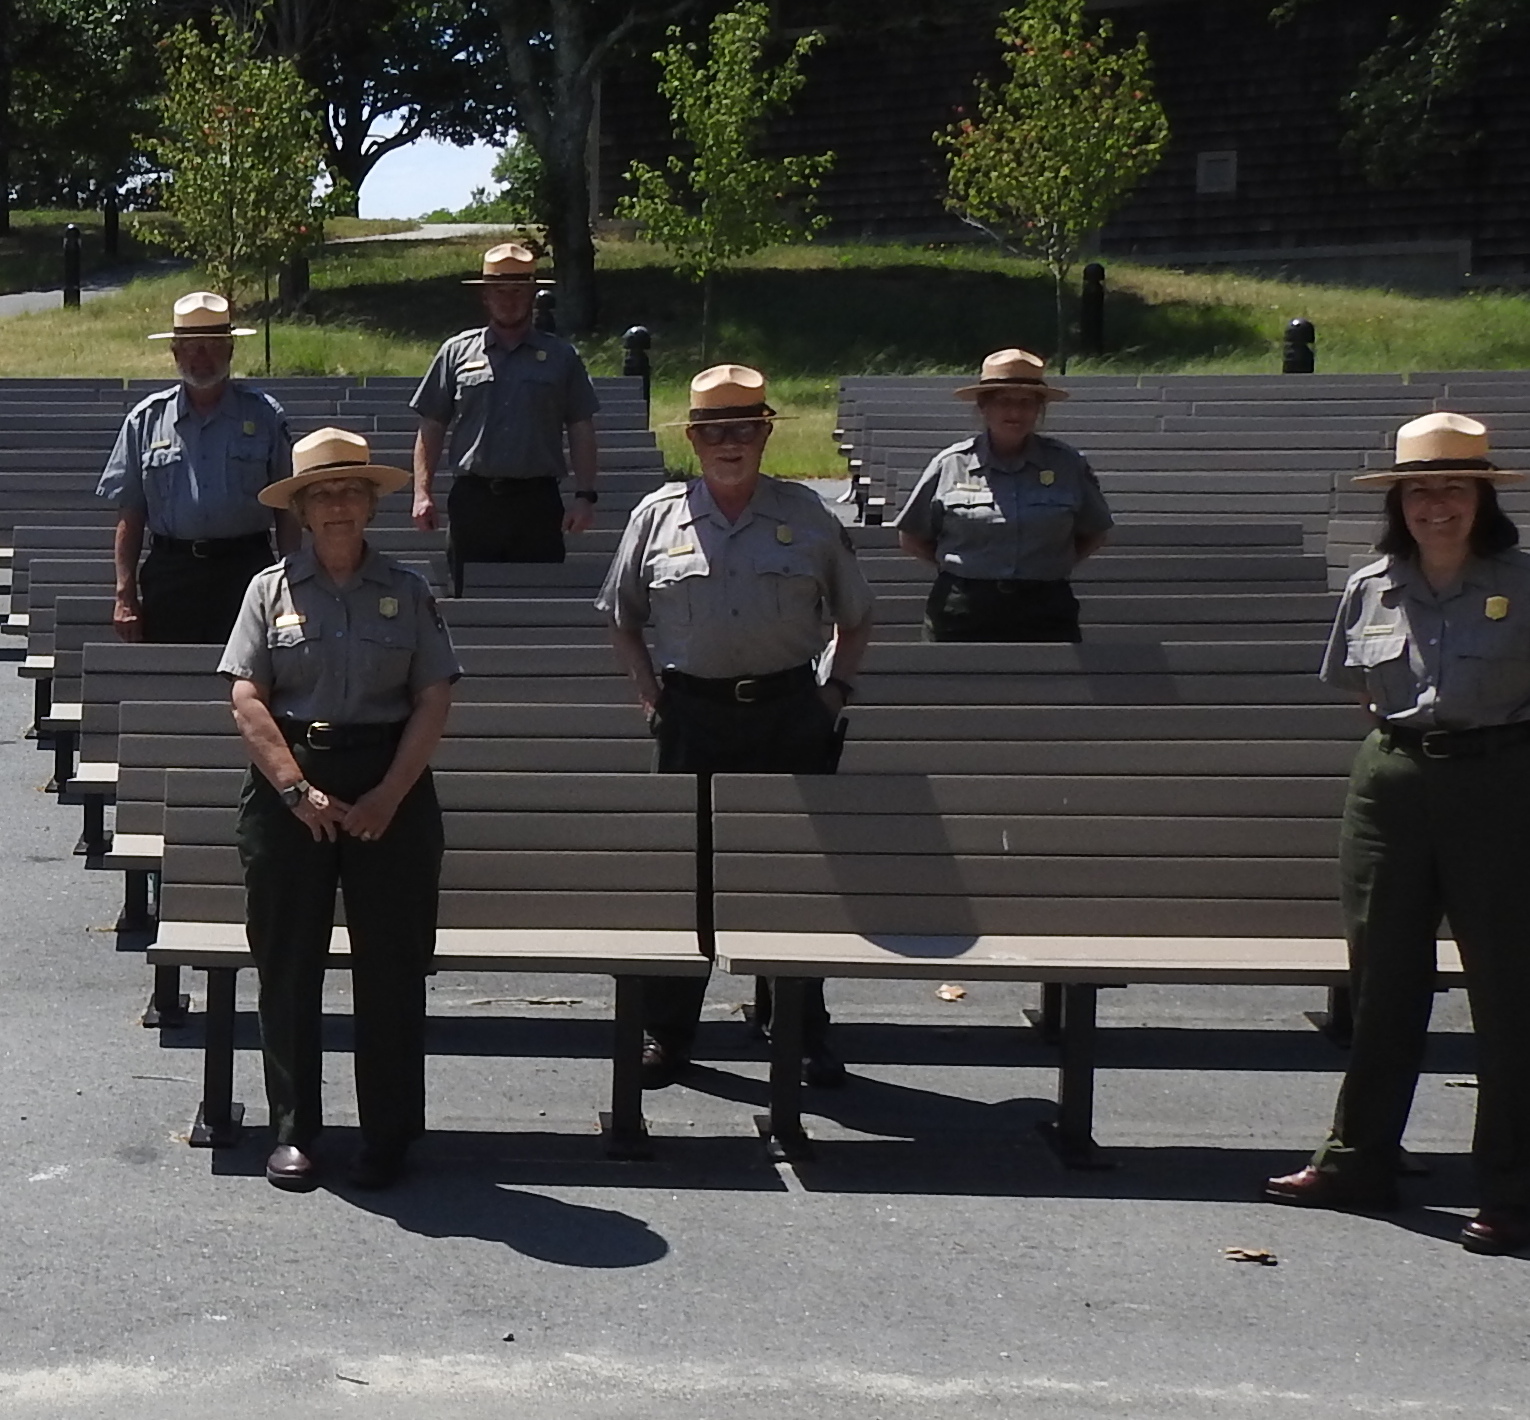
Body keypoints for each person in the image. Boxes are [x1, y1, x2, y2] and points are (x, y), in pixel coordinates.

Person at [1269, 412, 1530, 1253]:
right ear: (1399, 502)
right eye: (1420, 489)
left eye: (1454, 487)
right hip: (1393, 785)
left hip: (1503, 790)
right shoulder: (1372, 585)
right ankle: (1358, 1161)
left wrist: (1523, 770)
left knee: (1508, 998)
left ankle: (1509, 1193)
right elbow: (1360, 688)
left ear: (1483, 496)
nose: (1437, 505)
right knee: (1383, 983)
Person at [601, 364, 870, 1088]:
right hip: (693, 717)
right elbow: (622, 618)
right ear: (692, 438)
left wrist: (833, 693)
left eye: (744, 429)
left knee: (796, 877)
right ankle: (667, 1033)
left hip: (789, 715)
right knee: (684, 876)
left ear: (765, 434)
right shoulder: (656, 517)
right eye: (715, 431)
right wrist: (651, 698)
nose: (730, 443)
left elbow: (856, 615)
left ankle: (801, 1028)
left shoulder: (808, 515)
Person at [222, 428, 461, 1194]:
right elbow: (247, 696)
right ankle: (294, 1129)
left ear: (370, 502)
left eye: (350, 491)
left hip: (388, 784)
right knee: (288, 964)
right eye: (321, 493)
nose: (337, 505)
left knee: (392, 968)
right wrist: (296, 789)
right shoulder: (269, 591)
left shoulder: (409, 588)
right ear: (300, 507)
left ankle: (388, 1134)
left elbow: (433, 695)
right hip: (294, 787)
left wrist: (389, 794)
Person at [99, 289, 295, 652]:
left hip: (247, 571)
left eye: (212, 344)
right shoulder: (146, 421)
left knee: (248, 680)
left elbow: (287, 509)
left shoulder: (265, 416)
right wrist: (124, 594)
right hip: (173, 573)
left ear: (231, 349)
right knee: (171, 683)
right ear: (174, 352)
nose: (201, 356)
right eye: (190, 346)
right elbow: (131, 512)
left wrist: (292, 584)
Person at [405, 240, 600, 577]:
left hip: (537, 502)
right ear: (485, 296)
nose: (508, 299)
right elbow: (432, 424)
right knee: (468, 604)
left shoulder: (561, 357)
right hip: (474, 501)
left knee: (538, 605)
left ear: (533, 295)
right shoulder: (456, 352)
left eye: (517, 290)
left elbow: (581, 428)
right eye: (499, 290)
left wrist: (584, 496)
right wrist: (422, 492)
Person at [894, 348, 1113, 642]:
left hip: (1045, 609)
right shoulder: (951, 464)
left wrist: (1047, 566)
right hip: (962, 610)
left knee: (1053, 688)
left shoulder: (1067, 464)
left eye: (1026, 403)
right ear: (983, 406)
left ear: (1039, 409)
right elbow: (912, 537)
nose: (1015, 413)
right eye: (1004, 401)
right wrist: (967, 568)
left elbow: (1094, 531)